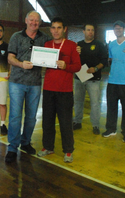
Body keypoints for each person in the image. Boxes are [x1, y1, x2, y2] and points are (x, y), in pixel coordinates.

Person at [5, 10, 50, 163]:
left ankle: (25, 142)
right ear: (26, 21)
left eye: (37, 20)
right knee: (15, 116)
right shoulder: (16, 37)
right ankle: (12, 147)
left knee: (31, 117)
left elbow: (56, 51)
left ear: (40, 23)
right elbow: (10, 58)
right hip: (17, 82)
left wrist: (75, 49)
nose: (34, 23)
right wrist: (21, 64)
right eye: (31, 20)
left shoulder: (45, 38)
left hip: (35, 84)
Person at [37, 17, 81, 163]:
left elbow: (78, 67)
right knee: (47, 121)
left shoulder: (72, 45)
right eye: (53, 28)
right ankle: (48, 147)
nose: (56, 31)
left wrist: (66, 66)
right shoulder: (47, 44)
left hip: (65, 91)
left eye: (59, 28)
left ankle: (68, 151)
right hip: (49, 89)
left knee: (65, 122)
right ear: (50, 30)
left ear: (64, 29)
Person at [73, 24, 108, 134]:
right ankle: (77, 122)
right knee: (78, 102)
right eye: (88, 30)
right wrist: (74, 52)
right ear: (83, 31)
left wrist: (96, 68)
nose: (90, 32)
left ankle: (95, 125)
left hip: (94, 79)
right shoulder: (78, 45)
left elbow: (104, 60)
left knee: (95, 103)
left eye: (92, 30)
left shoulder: (99, 45)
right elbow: (72, 60)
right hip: (79, 78)